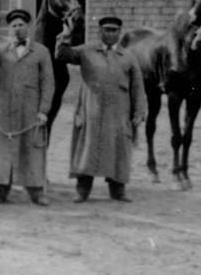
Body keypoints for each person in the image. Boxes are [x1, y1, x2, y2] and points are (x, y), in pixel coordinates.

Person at [56, 15, 145, 203]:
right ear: (100, 32)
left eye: (114, 30)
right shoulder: (87, 51)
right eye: (107, 30)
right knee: (88, 148)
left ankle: (118, 190)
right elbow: (62, 55)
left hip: (118, 112)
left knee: (118, 150)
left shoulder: (128, 57)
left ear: (119, 33)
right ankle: (82, 190)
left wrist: (139, 111)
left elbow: (137, 87)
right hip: (91, 110)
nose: (111, 34)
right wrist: (65, 35)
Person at [0, 8, 55, 205]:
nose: (17, 29)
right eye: (13, 26)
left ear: (29, 27)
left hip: (30, 109)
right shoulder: (2, 51)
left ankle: (36, 192)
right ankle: (1, 192)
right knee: (3, 150)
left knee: (32, 149)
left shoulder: (42, 52)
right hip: (5, 109)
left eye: (21, 25)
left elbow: (48, 83)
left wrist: (43, 110)